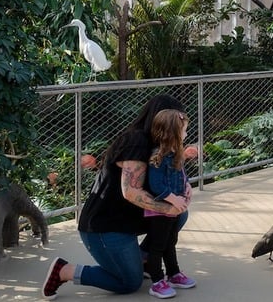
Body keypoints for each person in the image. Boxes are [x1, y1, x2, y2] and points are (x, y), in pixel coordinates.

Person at [42, 94, 190, 300]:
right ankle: (65, 270)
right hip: (106, 225)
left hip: (130, 219)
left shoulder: (163, 146)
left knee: (179, 216)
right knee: (129, 282)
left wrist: (185, 187)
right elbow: (130, 191)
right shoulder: (136, 142)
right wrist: (169, 207)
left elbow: (170, 174)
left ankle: (145, 259)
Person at [143, 109, 197, 298]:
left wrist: (187, 186)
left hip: (174, 209)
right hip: (162, 210)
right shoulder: (158, 156)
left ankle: (173, 273)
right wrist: (173, 199)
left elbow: (179, 174)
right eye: (183, 130)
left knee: (170, 242)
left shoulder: (176, 153)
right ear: (172, 132)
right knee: (157, 245)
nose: (186, 134)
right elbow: (156, 184)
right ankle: (156, 280)